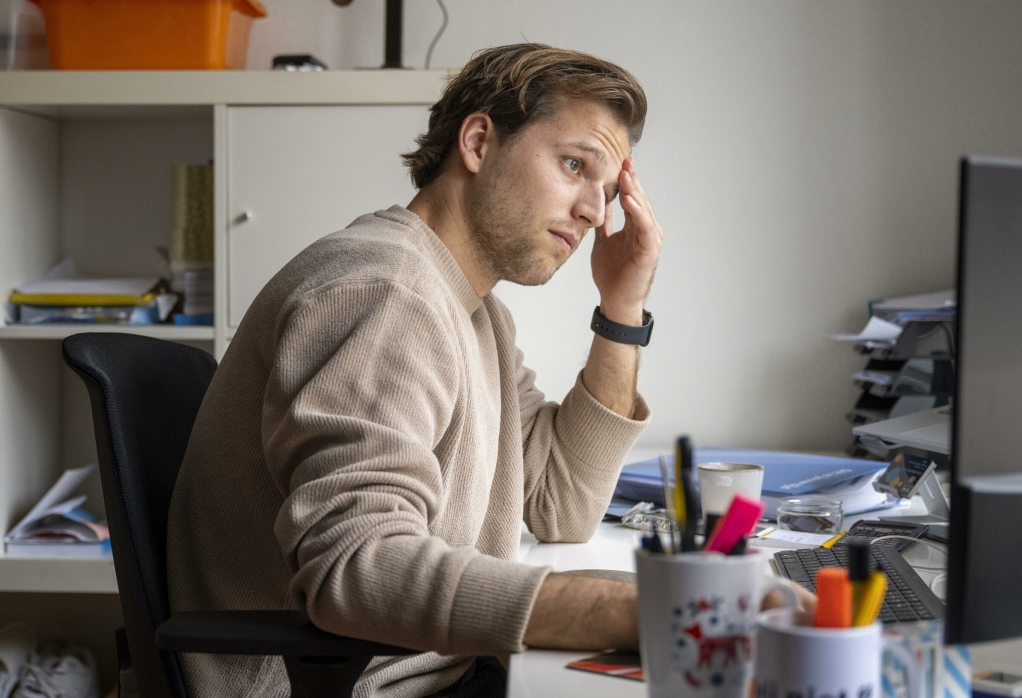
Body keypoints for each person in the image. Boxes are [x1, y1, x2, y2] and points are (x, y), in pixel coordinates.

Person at [167, 43, 660, 696]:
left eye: (607, 190)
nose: (597, 211)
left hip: (430, 674)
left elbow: (558, 504)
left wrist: (621, 309)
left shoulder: (474, 312)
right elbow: (356, 565)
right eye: (575, 165)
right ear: (479, 142)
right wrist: (626, 613)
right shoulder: (384, 291)